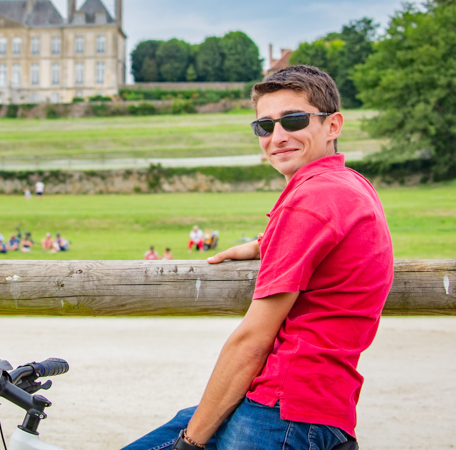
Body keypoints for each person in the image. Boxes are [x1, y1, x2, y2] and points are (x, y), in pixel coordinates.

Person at [123, 66, 391, 450]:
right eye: (265, 126)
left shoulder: (311, 200)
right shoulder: (349, 184)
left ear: (333, 125)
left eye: (294, 120)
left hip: (282, 411)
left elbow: (251, 342)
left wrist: (191, 443)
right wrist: (269, 242)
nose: (277, 137)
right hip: (311, 406)